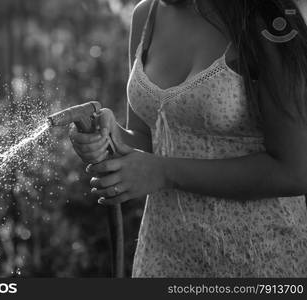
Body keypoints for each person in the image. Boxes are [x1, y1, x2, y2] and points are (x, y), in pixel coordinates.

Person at [69, 0, 307, 277]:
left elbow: (294, 171)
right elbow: (149, 139)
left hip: (258, 258)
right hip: (163, 256)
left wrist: (164, 173)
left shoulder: (267, 19)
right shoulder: (147, 15)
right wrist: (110, 139)